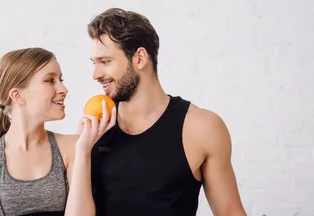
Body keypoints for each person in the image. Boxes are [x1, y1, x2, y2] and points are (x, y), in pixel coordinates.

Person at [83, 8, 248, 216]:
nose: (96, 74)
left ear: (140, 58)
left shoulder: (201, 128)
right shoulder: (95, 128)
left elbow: (230, 212)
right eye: (94, 63)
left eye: (105, 62)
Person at [0, 47, 115, 216]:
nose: (63, 89)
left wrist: (83, 150)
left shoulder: (73, 146)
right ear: (17, 95)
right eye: (50, 80)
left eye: (60, 79)